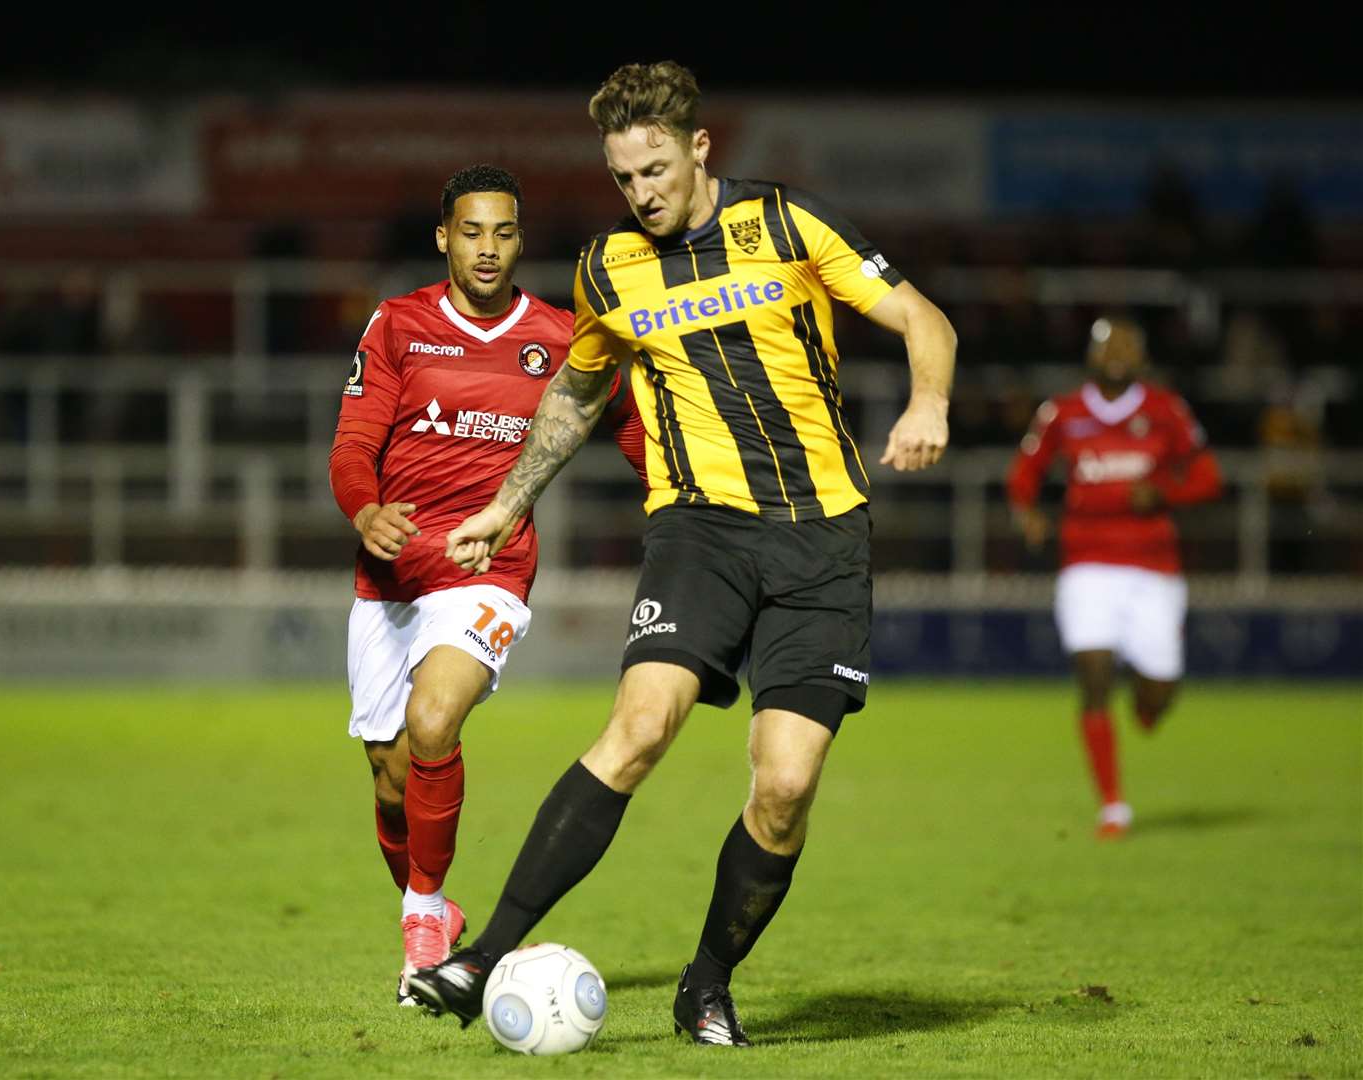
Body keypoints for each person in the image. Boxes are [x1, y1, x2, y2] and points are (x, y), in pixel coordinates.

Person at [406, 61, 956, 1045]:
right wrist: (505, 502)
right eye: (623, 178)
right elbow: (576, 393)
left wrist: (926, 402)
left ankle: (705, 982)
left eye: (654, 169)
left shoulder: (788, 227)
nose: (641, 193)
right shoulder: (607, 268)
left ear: (698, 149)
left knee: (784, 787)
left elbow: (923, 318)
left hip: (822, 538)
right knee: (640, 722)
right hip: (697, 528)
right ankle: (479, 957)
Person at [328, 164, 646, 1006]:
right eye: (471, 232)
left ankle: (424, 927)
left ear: (519, 238)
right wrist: (366, 513)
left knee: (435, 720)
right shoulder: (397, 326)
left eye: (503, 232)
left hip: (487, 570)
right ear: (444, 238)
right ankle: (430, 899)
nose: (487, 248)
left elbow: (625, 420)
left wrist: (678, 499)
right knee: (392, 782)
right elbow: (353, 445)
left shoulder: (557, 334)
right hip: (389, 578)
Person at [1007, 316, 1222, 839]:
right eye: (1109, 345)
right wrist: (1029, 512)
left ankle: (1148, 701)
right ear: (1092, 354)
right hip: (1087, 563)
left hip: (1154, 567)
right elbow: (1025, 473)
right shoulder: (1064, 411)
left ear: (1143, 356)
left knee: (1157, 694)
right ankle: (1113, 806)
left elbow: (1207, 475)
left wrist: (1165, 493)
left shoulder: (1164, 410)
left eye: (1129, 344)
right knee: (1093, 672)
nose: (1119, 353)